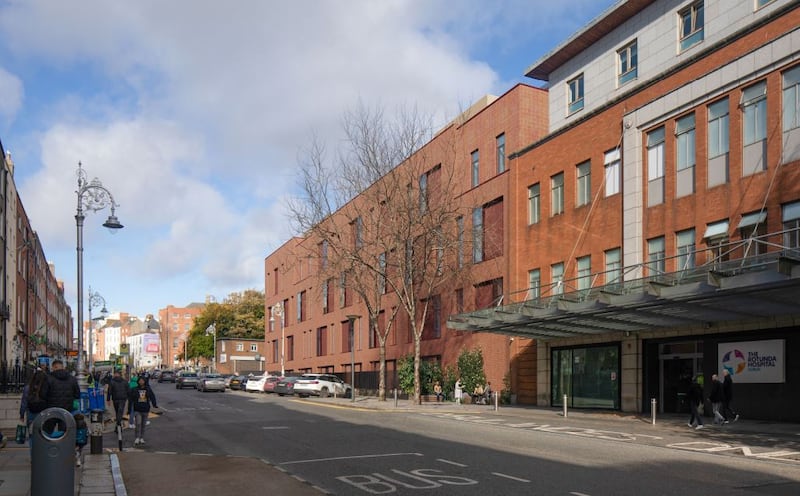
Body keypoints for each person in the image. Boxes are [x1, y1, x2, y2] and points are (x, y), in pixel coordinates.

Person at [19, 368, 49, 448]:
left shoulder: (28, 388)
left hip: (31, 413)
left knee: (32, 435)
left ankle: (33, 453)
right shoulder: (45, 388)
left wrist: (22, 415)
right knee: (44, 434)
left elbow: (24, 403)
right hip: (43, 413)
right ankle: (42, 452)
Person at [129, 376, 158, 447]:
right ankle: (137, 437)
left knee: (143, 425)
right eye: (140, 380)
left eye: (142, 380)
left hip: (145, 409)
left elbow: (152, 396)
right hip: (137, 409)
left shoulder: (148, 389)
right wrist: (129, 409)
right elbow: (131, 399)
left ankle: (142, 437)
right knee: (138, 423)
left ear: (144, 381)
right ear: (138, 381)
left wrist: (154, 404)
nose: (141, 382)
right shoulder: (134, 389)